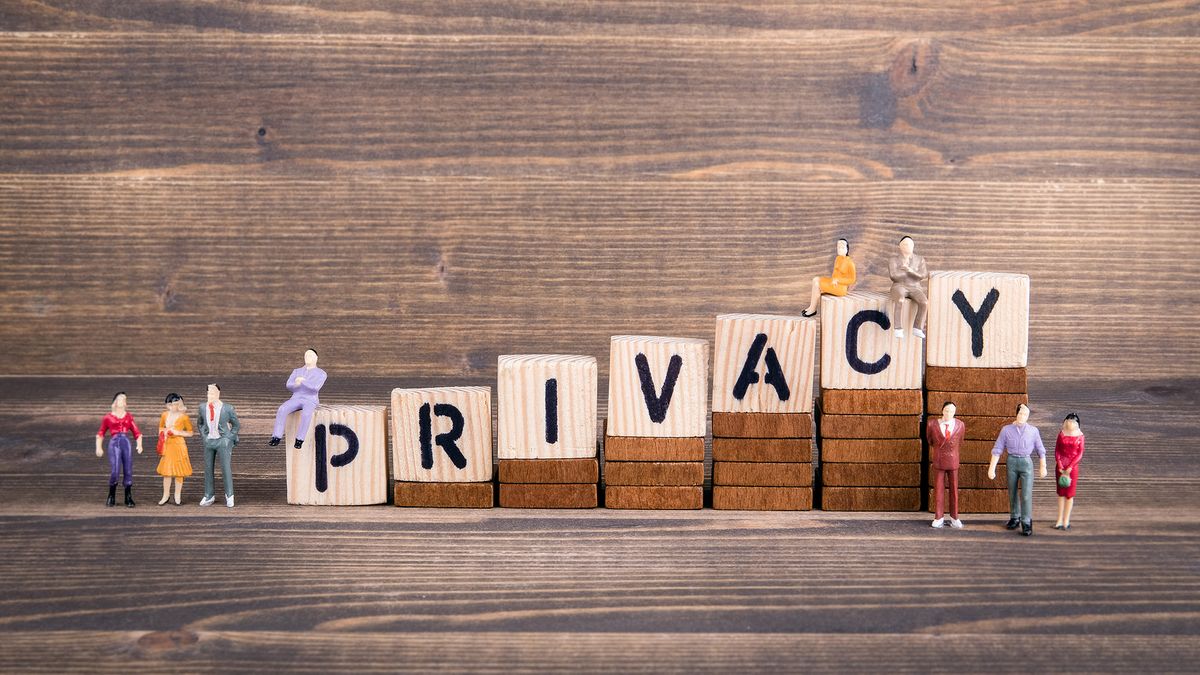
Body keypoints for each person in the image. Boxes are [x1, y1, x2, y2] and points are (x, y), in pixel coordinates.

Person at [988, 403, 1047, 536]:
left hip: (1026, 462)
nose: (1022, 416)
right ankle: (1015, 517)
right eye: (1020, 413)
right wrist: (992, 468)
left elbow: (1040, 449)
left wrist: (1043, 466)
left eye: (1025, 414)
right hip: (1012, 461)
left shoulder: (1033, 431)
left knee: (1026, 494)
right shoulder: (1006, 430)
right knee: (1012, 491)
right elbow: (998, 449)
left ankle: (1026, 521)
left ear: (1028, 416)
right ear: (1016, 414)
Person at [269, 348, 327, 449]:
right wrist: (296, 384)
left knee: (306, 413)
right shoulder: (297, 371)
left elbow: (315, 388)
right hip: (296, 398)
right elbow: (289, 385)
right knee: (282, 409)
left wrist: (303, 381)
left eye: (310, 356)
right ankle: (276, 436)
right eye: (306, 356)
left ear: (316, 358)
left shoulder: (321, 373)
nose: (307, 358)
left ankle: (300, 439)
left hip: (310, 399)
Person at [96, 392, 144, 507]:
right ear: (115, 402)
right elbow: (101, 432)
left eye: (124, 399)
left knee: (128, 469)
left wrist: (139, 444)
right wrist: (98, 447)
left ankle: (128, 496)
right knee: (115, 469)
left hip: (125, 443)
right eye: (120, 399)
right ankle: (111, 494)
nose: (123, 401)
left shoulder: (128, 416)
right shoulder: (108, 417)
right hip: (114, 443)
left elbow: (137, 432)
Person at [197, 383, 240, 508]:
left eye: (213, 393)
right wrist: (204, 436)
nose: (210, 395)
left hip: (222, 441)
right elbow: (200, 423)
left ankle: (230, 495)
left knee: (225, 468)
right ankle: (209, 495)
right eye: (208, 393)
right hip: (209, 441)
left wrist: (228, 438)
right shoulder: (202, 407)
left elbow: (236, 425)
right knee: (208, 468)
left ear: (218, 394)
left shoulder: (227, 408)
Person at [928, 401, 965, 529]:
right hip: (939, 460)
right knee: (938, 490)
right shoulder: (932, 424)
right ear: (942, 410)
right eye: (946, 410)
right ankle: (939, 517)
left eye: (952, 411)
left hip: (953, 461)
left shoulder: (960, 425)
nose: (949, 413)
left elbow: (960, 441)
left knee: (954, 490)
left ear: (955, 412)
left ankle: (955, 517)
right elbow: (930, 440)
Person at [801, 238, 856, 317]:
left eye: (842, 247)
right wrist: (830, 282)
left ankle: (813, 309)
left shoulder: (850, 263)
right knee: (815, 279)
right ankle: (811, 307)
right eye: (838, 247)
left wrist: (839, 280)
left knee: (817, 285)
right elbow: (835, 273)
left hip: (840, 288)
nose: (840, 249)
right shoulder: (838, 259)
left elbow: (852, 280)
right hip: (833, 283)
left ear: (847, 249)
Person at [887, 236, 929, 339]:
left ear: (913, 246)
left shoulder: (920, 259)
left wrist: (910, 271)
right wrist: (906, 272)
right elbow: (893, 276)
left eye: (910, 244)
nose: (908, 246)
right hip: (899, 286)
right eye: (905, 244)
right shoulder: (893, 260)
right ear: (900, 246)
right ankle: (898, 328)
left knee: (924, 302)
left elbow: (923, 275)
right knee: (900, 300)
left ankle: (918, 328)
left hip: (915, 287)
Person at [156, 393, 194, 505]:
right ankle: (165, 495)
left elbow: (190, 432)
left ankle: (177, 495)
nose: (174, 407)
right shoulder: (164, 415)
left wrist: (178, 432)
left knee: (179, 472)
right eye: (172, 404)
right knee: (167, 472)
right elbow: (160, 428)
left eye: (177, 404)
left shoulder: (184, 417)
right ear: (168, 405)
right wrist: (164, 433)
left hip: (179, 445)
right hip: (168, 445)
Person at [1054, 412, 1085, 530]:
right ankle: (1059, 520)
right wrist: (1060, 464)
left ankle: (1066, 520)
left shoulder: (1080, 437)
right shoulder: (1061, 434)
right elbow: (1057, 450)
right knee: (1061, 494)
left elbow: (1080, 453)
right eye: (1069, 421)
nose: (1070, 423)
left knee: (1069, 495)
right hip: (1060, 468)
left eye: (1073, 421)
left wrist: (1071, 466)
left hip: (1072, 469)